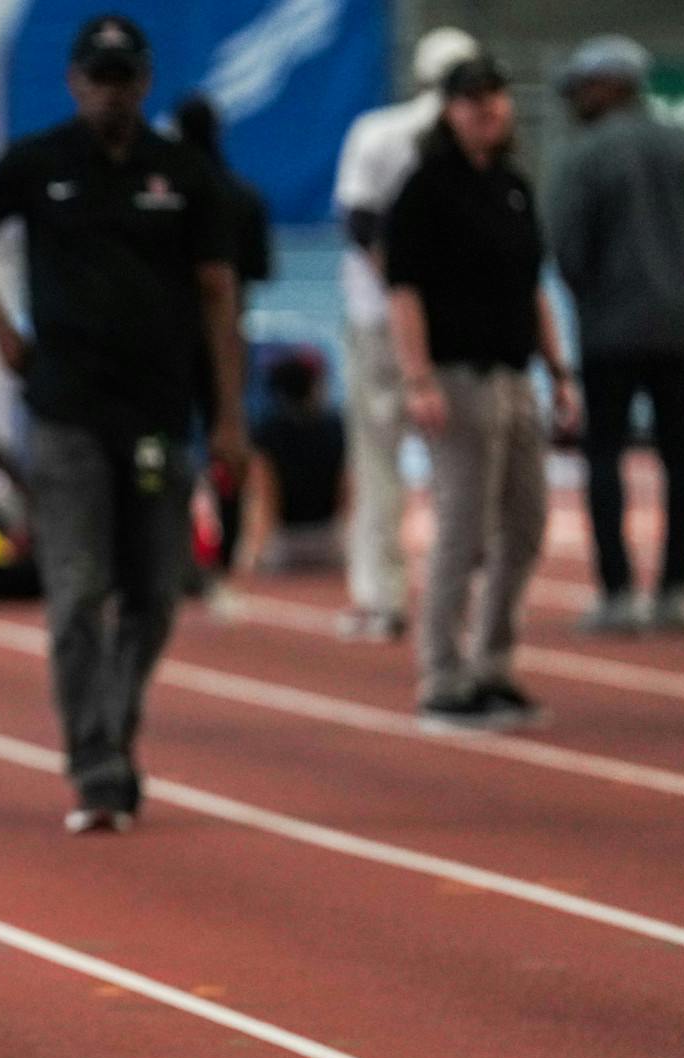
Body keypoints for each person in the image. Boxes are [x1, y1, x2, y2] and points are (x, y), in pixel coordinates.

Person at [0, 14, 247, 834]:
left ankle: (114, 722)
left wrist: (228, 416)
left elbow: (220, 296)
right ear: (76, 82)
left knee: (153, 592)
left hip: (159, 411)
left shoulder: (184, 174)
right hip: (66, 407)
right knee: (78, 591)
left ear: (143, 83)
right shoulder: (40, 162)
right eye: (98, 78)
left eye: (124, 78)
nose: (111, 92)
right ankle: (96, 762)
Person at [387, 55, 580, 729]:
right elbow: (403, 292)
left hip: (514, 375)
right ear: (449, 110)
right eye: (472, 99)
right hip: (455, 377)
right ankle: (443, 675)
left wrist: (559, 371)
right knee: (463, 529)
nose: (487, 108)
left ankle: (492, 665)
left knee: (526, 524)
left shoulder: (513, 186)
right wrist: (418, 378)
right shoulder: (424, 189)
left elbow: (533, 288)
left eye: (495, 95)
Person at [548, 35, 684, 636]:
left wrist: (594, 297)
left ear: (610, 86)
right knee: (680, 456)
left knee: (604, 456)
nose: (575, 100)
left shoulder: (584, 156)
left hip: (608, 331)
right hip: (680, 325)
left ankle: (617, 593)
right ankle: (674, 591)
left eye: (583, 88)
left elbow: (568, 246)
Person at [331, 27, 481, 642]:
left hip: (378, 319)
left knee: (378, 461)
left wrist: (398, 293)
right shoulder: (473, 140)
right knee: (460, 468)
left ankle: (381, 598)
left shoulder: (377, 133)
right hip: (451, 324)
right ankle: (459, 599)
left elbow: (359, 222)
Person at [172, 91, 271, 588]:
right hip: (229, 335)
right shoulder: (242, 195)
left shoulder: (169, 194)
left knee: (166, 441)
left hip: (171, 336)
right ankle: (225, 554)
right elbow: (261, 268)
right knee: (228, 435)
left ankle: (171, 548)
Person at [250, 348, 346, 574]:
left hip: (284, 540)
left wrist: (255, 552)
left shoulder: (267, 431)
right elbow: (346, 489)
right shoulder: (335, 427)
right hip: (328, 537)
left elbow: (266, 494)